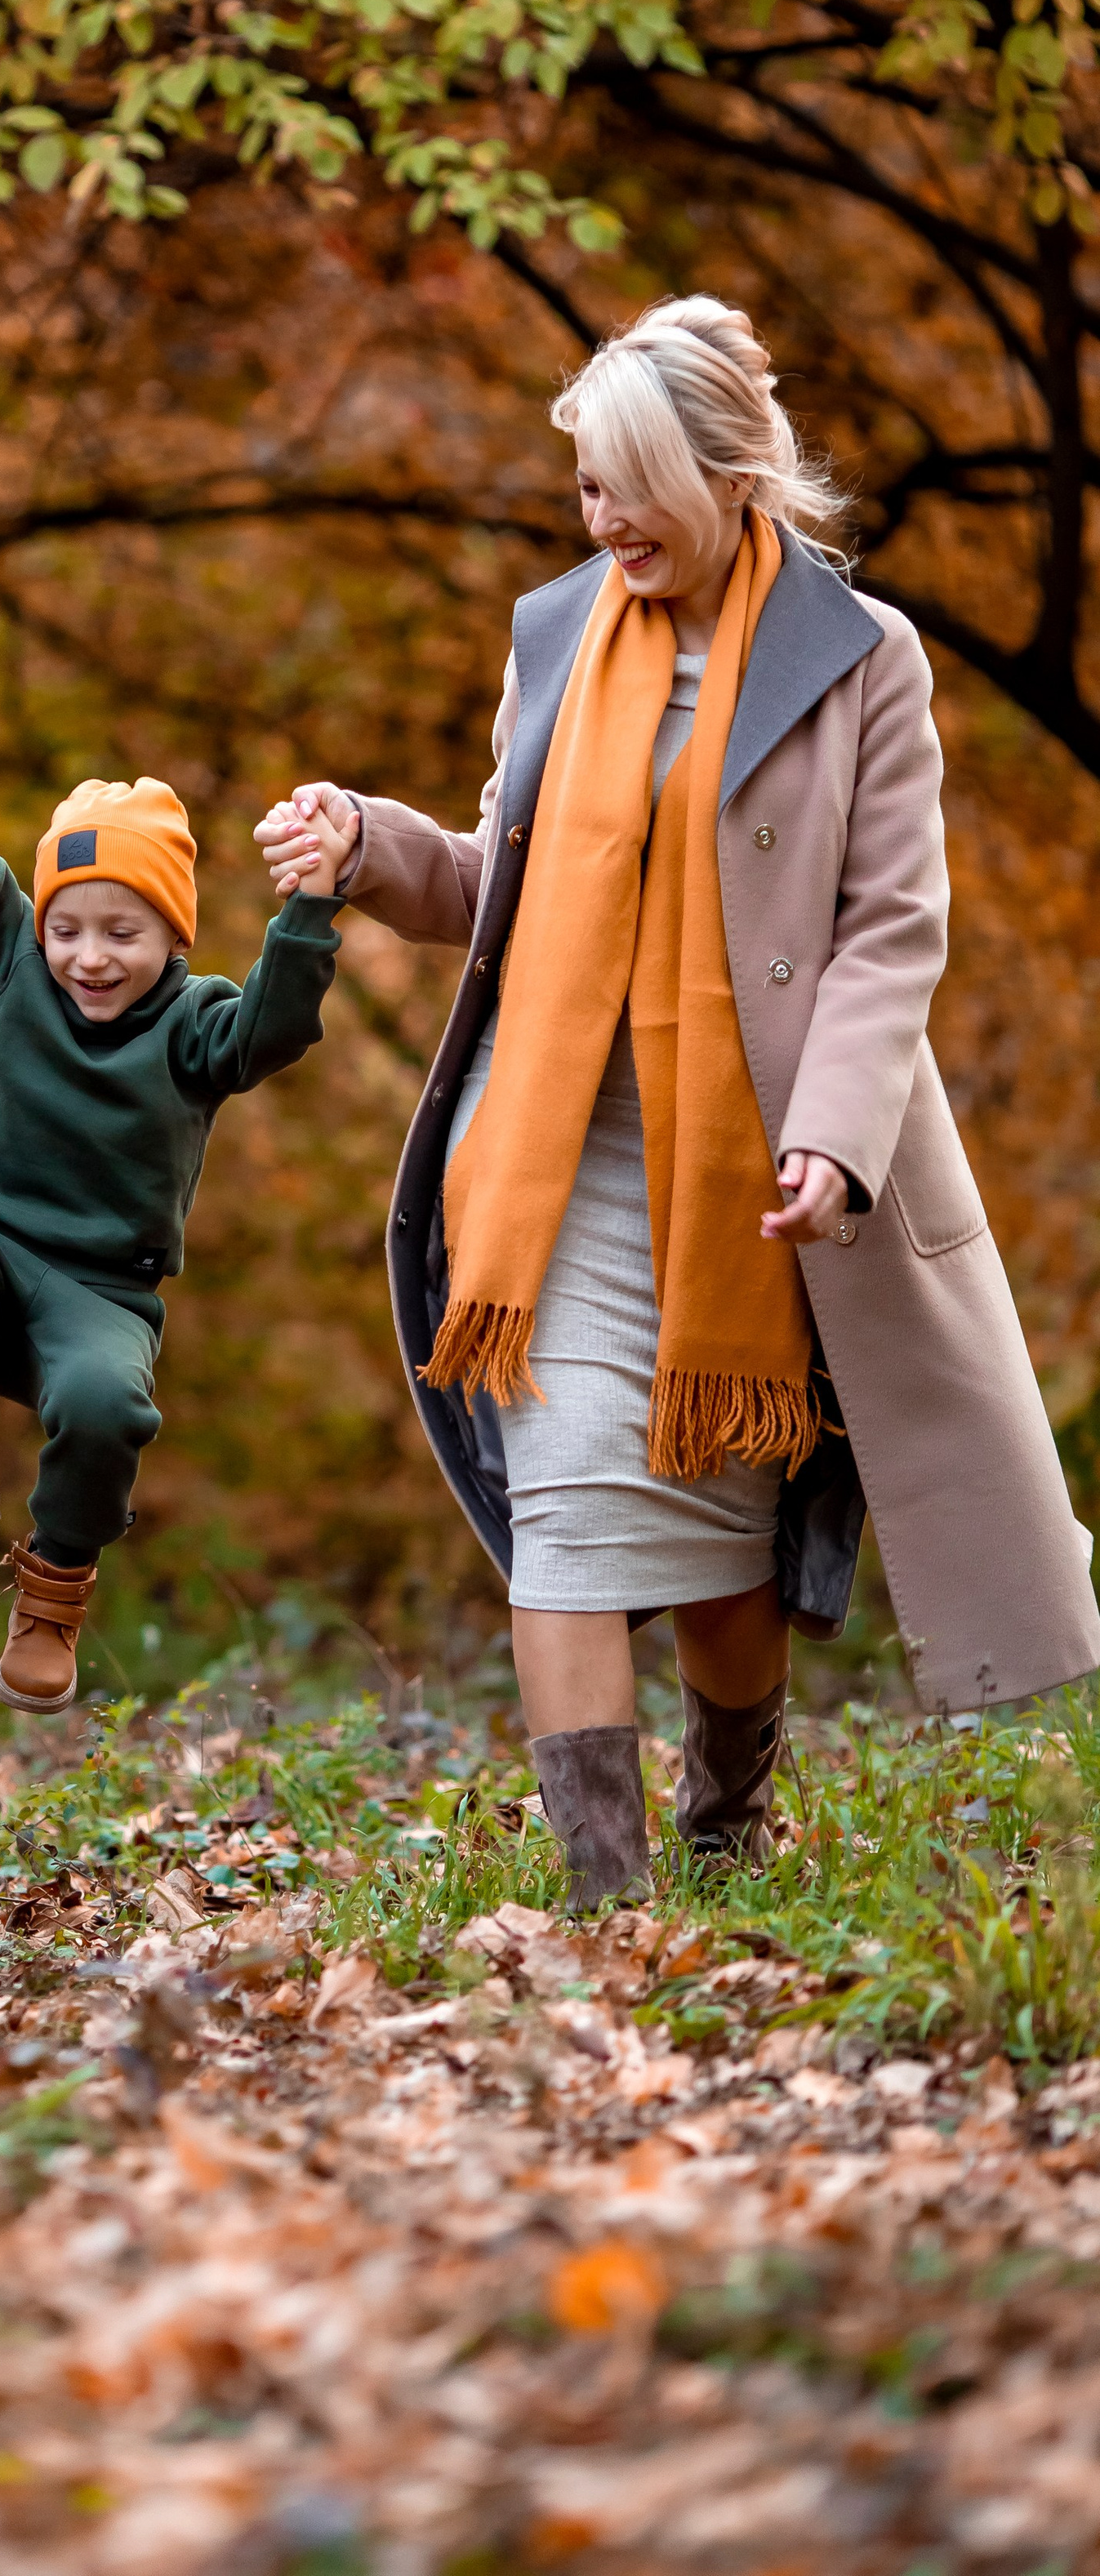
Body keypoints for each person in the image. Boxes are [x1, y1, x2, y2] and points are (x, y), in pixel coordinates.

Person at [260, 294, 1100, 1907]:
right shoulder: (559, 635)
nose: (604, 524)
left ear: (731, 475)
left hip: (748, 1173)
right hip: (555, 1157)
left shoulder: (860, 662)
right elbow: (486, 886)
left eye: (631, 489)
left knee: (719, 1568)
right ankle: (603, 1911)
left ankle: (724, 1831)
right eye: (586, 490)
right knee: (568, 1524)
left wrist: (833, 1138)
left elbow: (886, 929)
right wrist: (366, 843)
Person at [0, 691, 354, 1709]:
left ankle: (50, 1597)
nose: (91, 957)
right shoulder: (10, 964)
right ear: (39, 927)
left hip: (100, 1294)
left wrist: (307, 907)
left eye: (123, 932)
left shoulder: (193, 1025)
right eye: (69, 928)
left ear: (171, 935)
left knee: (108, 1406)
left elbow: (273, 1029)